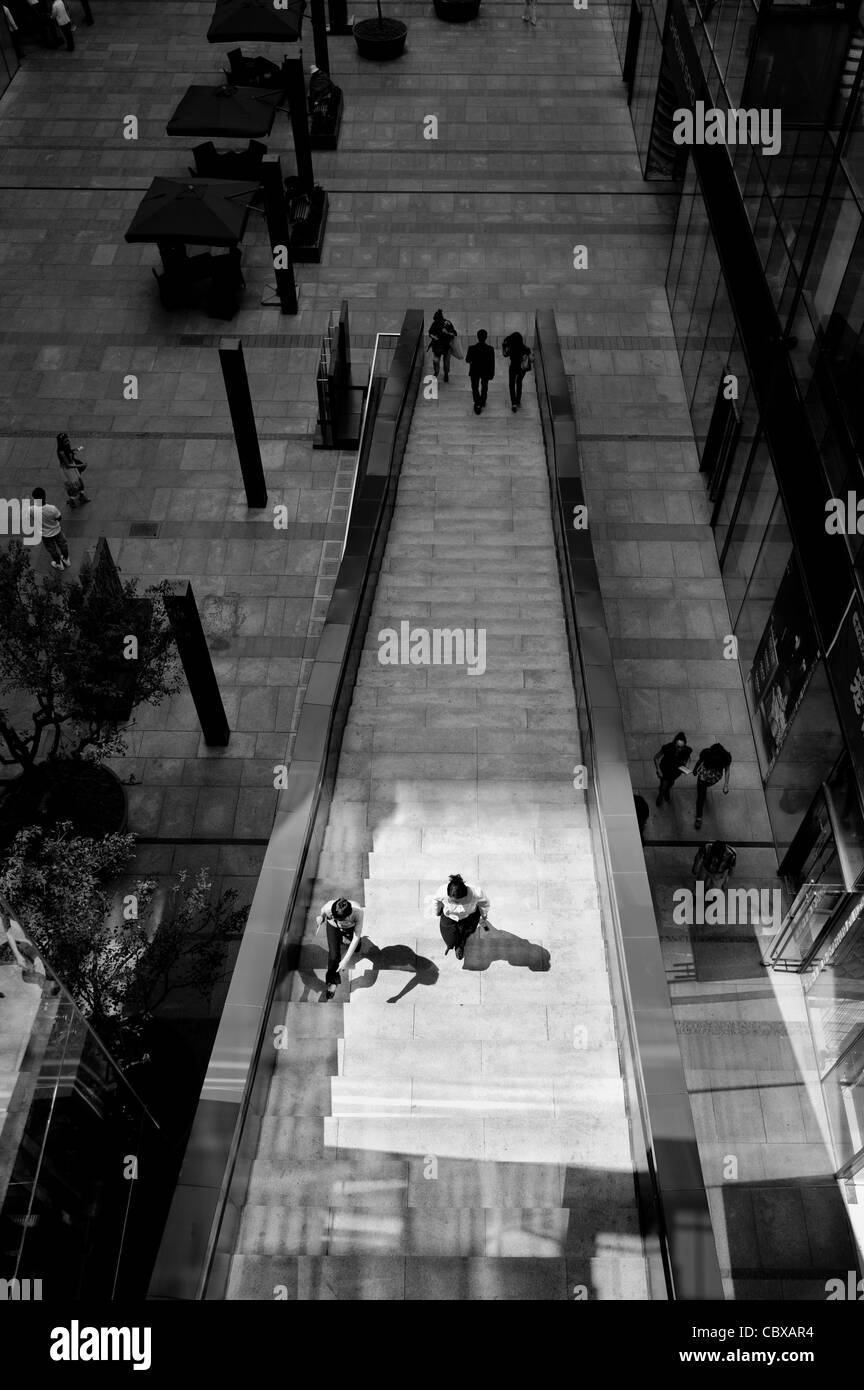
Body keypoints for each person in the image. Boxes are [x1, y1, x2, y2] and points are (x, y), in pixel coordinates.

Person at [431, 873, 490, 961]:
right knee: (450, 939)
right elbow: (436, 901)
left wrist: (483, 915)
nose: (456, 903)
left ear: (465, 895)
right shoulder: (442, 891)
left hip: (469, 916)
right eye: (452, 901)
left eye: (459, 901)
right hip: (449, 916)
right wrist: (437, 912)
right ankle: (452, 944)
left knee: (466, 932)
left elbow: (485, 904)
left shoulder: (476, 893)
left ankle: (460, 945)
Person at [315, 895, 364, 1000]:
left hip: (351, 928)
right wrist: (321, 918)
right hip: (333, 926)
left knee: (356, 947)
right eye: (336, 917)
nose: (340, 921)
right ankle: (332, 982)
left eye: (342, 919)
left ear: (349, 915)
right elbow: (322, 912)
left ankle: (344, 938)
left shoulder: (358, 913)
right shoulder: (328, 907)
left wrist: (345, 960)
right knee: (334, 957)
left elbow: (356, 937)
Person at [692, 740, 732, 829]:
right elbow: (700, 761)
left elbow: (727, 770)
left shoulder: (726, 757)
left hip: (714, 775)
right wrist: (695, 770)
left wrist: (726, 785)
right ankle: (699, 817)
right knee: (700, 797)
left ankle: (703, 789)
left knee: (704, 788)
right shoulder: (707, 752)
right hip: (705, 773)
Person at [31, 487, 70, 569]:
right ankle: (66, 559)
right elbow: (59, 518)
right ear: (45, 496)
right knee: (63, 545)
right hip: (57, 530)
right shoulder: (52, 508)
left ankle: (59, 564)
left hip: (45, 535)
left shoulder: (32, 510)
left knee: (52, 550)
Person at [653, 730, 692, 807]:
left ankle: (666, 792)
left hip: (676, 771)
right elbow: (656, 757)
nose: (680, 749)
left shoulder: (687, 750)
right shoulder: (667, 747)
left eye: (682, 747)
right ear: (674, 744)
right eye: (678, 747)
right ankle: (661, 795)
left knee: (671, 783)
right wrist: (658, 770)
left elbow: (688, 758)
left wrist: (686, 767)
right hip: (665, 770)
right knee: (663, 785)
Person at [465, 328, 495, 415]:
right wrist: (492, 373)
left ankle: (477, 403)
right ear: (486, 337)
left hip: (475, 370)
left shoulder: (472, 348)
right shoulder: (490, 349)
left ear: (477, 337)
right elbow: (492, 363)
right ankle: (483, 401)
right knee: (484, 386)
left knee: (475, 387)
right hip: (485, 371)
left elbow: (467, 360)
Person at [502, 330, 533, 412]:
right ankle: (518, 400)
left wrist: (503, 347)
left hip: (513, 367)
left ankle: (514, 403)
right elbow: (532, 359)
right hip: (522, 369)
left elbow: (505, 354)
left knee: (511, 384)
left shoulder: (512, 349)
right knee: (519, 382)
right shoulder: (526, 348)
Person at [56, 432, 89, 509]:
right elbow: (68, 465)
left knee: (80, 483)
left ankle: (81, 496)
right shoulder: (61, 452)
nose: (68, 442)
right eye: (65, 441)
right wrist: (81, 465)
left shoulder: (66, 447)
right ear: (61, 443)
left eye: (68, 440)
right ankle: (72, 501)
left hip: (72, 467)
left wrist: (75, 450)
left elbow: (70, 452)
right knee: (73, 487)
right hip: (68, 471)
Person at [427, 309, 457, 382]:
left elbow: (454, 334)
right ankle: (440, 373)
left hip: (443, 346)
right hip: (440, 347)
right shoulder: (437, 323)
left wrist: (446, 333)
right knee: (442, 362)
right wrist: (434, 337)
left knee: (439, 361)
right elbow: (430, 333)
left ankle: (443, 373)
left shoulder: (446, 323)